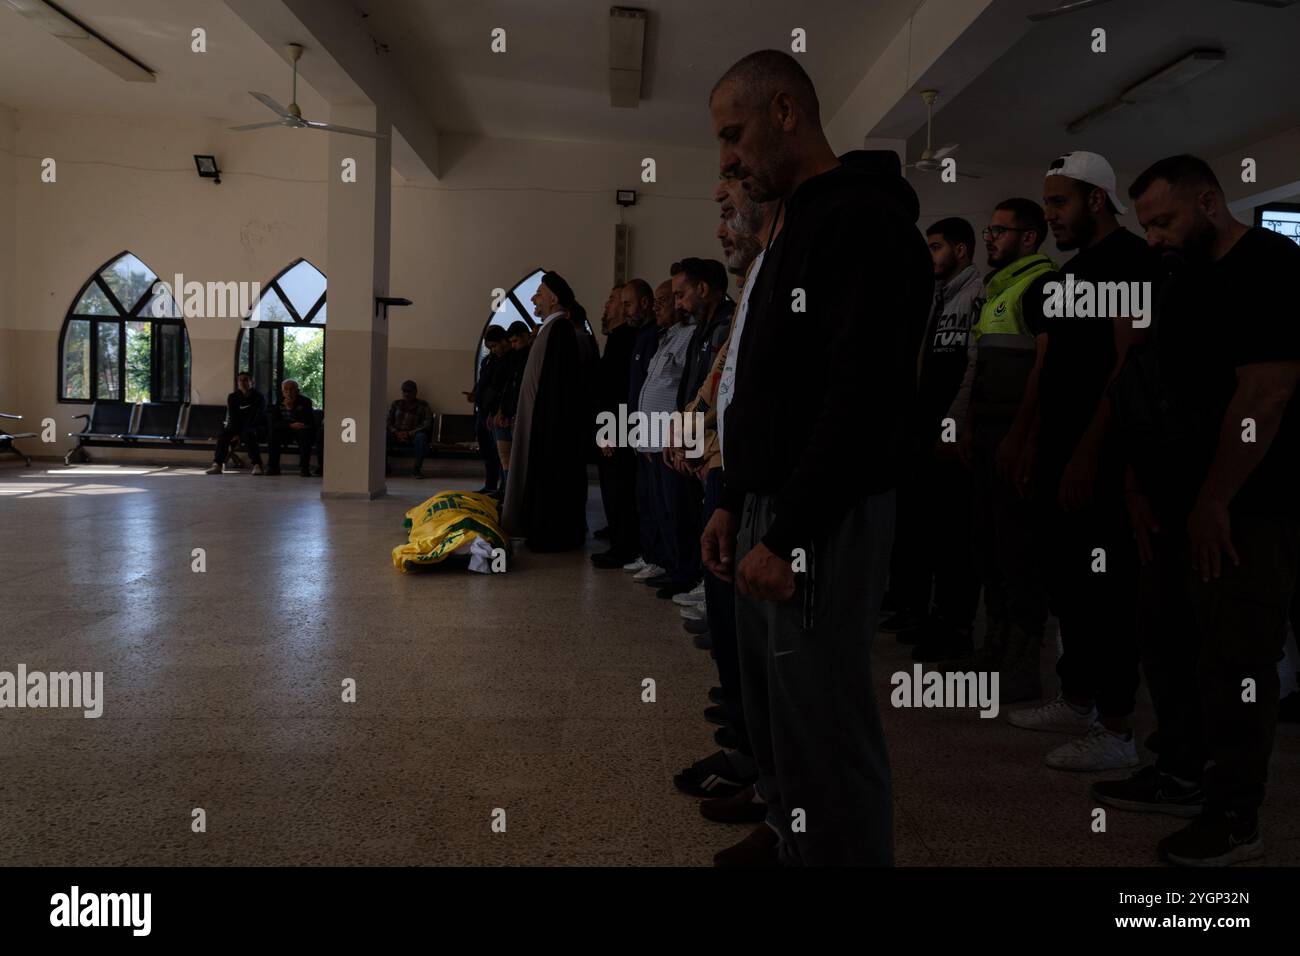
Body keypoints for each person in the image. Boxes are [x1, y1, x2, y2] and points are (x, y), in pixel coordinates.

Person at [702, 49, 933, 866]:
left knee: (823, 726)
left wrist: (790, 528)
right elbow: (767, 386)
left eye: (734, 134)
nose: (726, 158)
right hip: (773, 501)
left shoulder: (862, 221)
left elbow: (862, 401)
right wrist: (734, 497)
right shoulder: (797, 221)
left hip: (821, 509)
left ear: (786, 113)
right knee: (779, 718)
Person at [1093, 155, 1300, 867]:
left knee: (1235, 657)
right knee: (1167, 636)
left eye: (1164, 220)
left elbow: (1264, 396)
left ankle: (1235, 815)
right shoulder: (1177, 275)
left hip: (1249, 506)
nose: (1152, 236)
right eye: (1146, 224)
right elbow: (1148, 380)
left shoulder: (1272, 265)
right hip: (1176, 503)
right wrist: (1138, 484)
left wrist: (1215, 501)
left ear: (1209, 201)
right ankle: (1181, 769)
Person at [1005, 152, 1161, 772]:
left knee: (1106, 589)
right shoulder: (1069, 277)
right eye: (1046, 204)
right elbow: (1050, 364)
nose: (1051, 216)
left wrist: (1087, 453)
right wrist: (1025, 433)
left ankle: (1118, 728)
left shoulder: (1133, 266)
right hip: (1059, 452)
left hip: (1102, 460)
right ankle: (1077, 699)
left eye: (1059, 203)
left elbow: (1127, 368)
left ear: (1096, 200)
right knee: (1066, 580)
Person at [945, 198, 1057, 702]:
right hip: (986, 437)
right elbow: (979, 369)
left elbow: (1045, 371)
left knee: (1020, 553)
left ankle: (1024, 666)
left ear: (1030, 238)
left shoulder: (1044, 285)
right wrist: (966, 425)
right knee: (987, 547)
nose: (989, 238)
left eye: (1000, 231)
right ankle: (993, 649)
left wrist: (1021, 437)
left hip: (1016, 440)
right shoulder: (998, 289)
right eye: (988, 229)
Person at [885, 217, 983, 662]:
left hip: (951, 432)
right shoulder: (933, 296)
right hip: (919, 429)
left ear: (961, 250)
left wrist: (954, 424)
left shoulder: (976, 292)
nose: (930, 256)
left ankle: (953, 626)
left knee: (953, 536)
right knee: (917, 526)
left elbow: (972, 368)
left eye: (937, 247)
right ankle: (915, 610)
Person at [500, 271, 590, 552]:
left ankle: (548, 535)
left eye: (539, 293)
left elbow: (556, 391)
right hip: (539, 423)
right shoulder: (550, 330)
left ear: (553, 298)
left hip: (549, 429)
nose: (533, 298)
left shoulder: (560, 331)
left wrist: (543, 428)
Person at [635, 271, 698, 595]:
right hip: (654, 440)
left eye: (667, 300)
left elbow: (686, 389)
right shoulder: (667, 336)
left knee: (678, 510)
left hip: (671, 439)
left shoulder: (691, 335)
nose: (659, 307)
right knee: (660, 508)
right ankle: (671, 565)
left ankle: (685, 573)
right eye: (659, 301)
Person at [622, 280, 672, 580]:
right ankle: (652, 553)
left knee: (663, 504)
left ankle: (666, 561)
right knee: (646, 500)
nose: (658, 306)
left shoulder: (657, 336)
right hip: (643, 430)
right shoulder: (647, 336)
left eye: (628, 303)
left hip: (660, 434)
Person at [592, 284, 641, 568]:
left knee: (620, 488)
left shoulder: (626, 339)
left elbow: (620, 391)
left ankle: (623, 547)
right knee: (612, 488)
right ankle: (618, 538)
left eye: (612, 300)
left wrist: (609, 430)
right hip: (611, 425)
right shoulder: (618, 338)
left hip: (618, 427)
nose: (607, 305)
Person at [490, 321, 532, 496]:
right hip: (509, 413)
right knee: (505, 457)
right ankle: (507, 490)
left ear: (525, 336)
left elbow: (518, 388)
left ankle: (512, 493)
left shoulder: (527, 357)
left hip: (518, 414)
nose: (513, 346)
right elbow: (509, 387)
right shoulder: (516, 359)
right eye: (511, 342)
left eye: (515, 341)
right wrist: (502, 410)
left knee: (514, 458)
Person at [466, 326, 509, 493]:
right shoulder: (487, 360)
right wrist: (475, 394)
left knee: (499, 452)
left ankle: (502, 487)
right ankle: (490, 484)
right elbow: (482, 383)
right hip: (483, 411)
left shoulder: (505, 361)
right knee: (487, 452)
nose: (492, 349)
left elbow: (498, 387)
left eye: (494, 345)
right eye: (489, 346)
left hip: (495, 412)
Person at [207, 371, 266, 475]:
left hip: (255, 426)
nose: (242, 382)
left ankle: (257, 465)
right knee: (224, 435)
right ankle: (217, 465)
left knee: (248, 433)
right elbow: (233, 417)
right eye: (240, 380)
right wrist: (236, 433)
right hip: (237, 427)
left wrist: (240, 435)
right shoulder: (233, 397)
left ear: (252, 382)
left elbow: (257, 417)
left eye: (245, 380)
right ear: (237, 382)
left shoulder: (259, 397)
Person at [266, 379, 315, 477]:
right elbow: (273, 422)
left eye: (291, 389)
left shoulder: (305, 402)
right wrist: (289, 425)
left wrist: (291, 408)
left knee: (304, 435)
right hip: (286, 430)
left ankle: (304, 468)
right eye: (285, 390)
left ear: (297, 391)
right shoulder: (279, 402)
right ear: (282, 391)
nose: (288, 392)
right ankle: (273, 467)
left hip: (301, 430)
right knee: (273, 435)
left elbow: (305, 421)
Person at [387, 380, 434, 479]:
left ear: (415, 392)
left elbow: (427, 424)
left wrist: (409, 433)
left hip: (414, 434)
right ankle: (384, 466)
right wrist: (396, 432)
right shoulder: (396, 404)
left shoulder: (423, 405)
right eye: (404, 391)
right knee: (382, 436)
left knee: (421, 437)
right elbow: (388, 421)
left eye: (409, 391)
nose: (406, 394)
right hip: (396, 433)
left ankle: (416, 469)